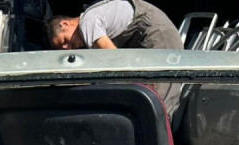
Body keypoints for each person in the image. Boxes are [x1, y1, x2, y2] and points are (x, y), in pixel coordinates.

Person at [47, 0, 184, 114]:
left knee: (159, 104)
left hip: (158, 35)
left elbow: (115, 60)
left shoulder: (87, 23)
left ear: (64, 24)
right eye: (62, 48)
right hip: (149, 34)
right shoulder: (90, 21)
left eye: (63, 41)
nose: (67, 47)